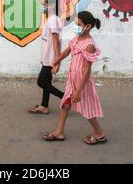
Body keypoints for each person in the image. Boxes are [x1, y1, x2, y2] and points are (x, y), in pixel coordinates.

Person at [42, 11, 107, 145]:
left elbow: (87, 70)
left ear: (87, 26)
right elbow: (66, 51)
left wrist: (78, 90)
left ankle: (99, 133)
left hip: (82, 83)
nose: (76, 26)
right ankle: (59, 132)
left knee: (87, 110)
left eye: (79, 24)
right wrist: (55, 62)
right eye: (76, 23)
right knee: (65, 104)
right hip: (72, 80)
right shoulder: (76, 38)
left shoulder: (89, 45)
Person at [28, 0, 65, 115]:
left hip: (51, 59)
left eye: (44, 4)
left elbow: (56, 42)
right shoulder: (50, 19)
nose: (42, 7)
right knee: (47, 82)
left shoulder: (53, 20)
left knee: (41, 82)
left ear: (52, 5)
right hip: (47, 58)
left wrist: (57, 61)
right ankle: (44, 106)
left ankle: (65, 98)